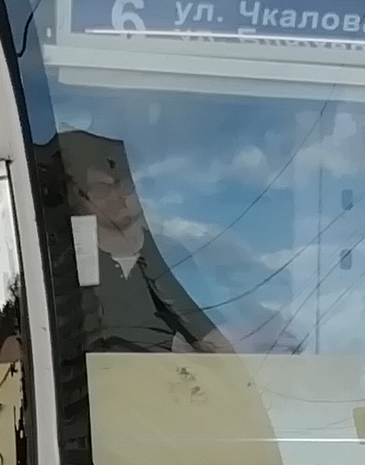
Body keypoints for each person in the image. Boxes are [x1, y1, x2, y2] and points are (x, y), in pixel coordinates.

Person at [57, 129, 235, 354]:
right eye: (102, 189)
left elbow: (207, 332)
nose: (117, 198)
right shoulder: (66, 260)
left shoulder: (169, 253)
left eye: (124, 185)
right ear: (78, 196)